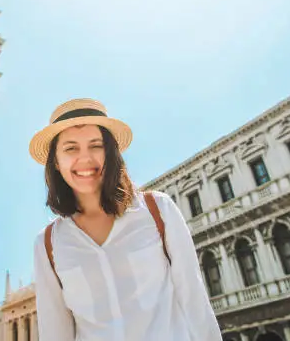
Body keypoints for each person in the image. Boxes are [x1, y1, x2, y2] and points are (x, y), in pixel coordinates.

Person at [30, 98, 222, 341]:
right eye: (71, 148)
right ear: (56, 162)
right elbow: (55, 332)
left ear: (110, 153)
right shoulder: (47, 244)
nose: (85, 158)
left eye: (95, 146)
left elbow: (196, 303)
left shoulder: (159, 210)